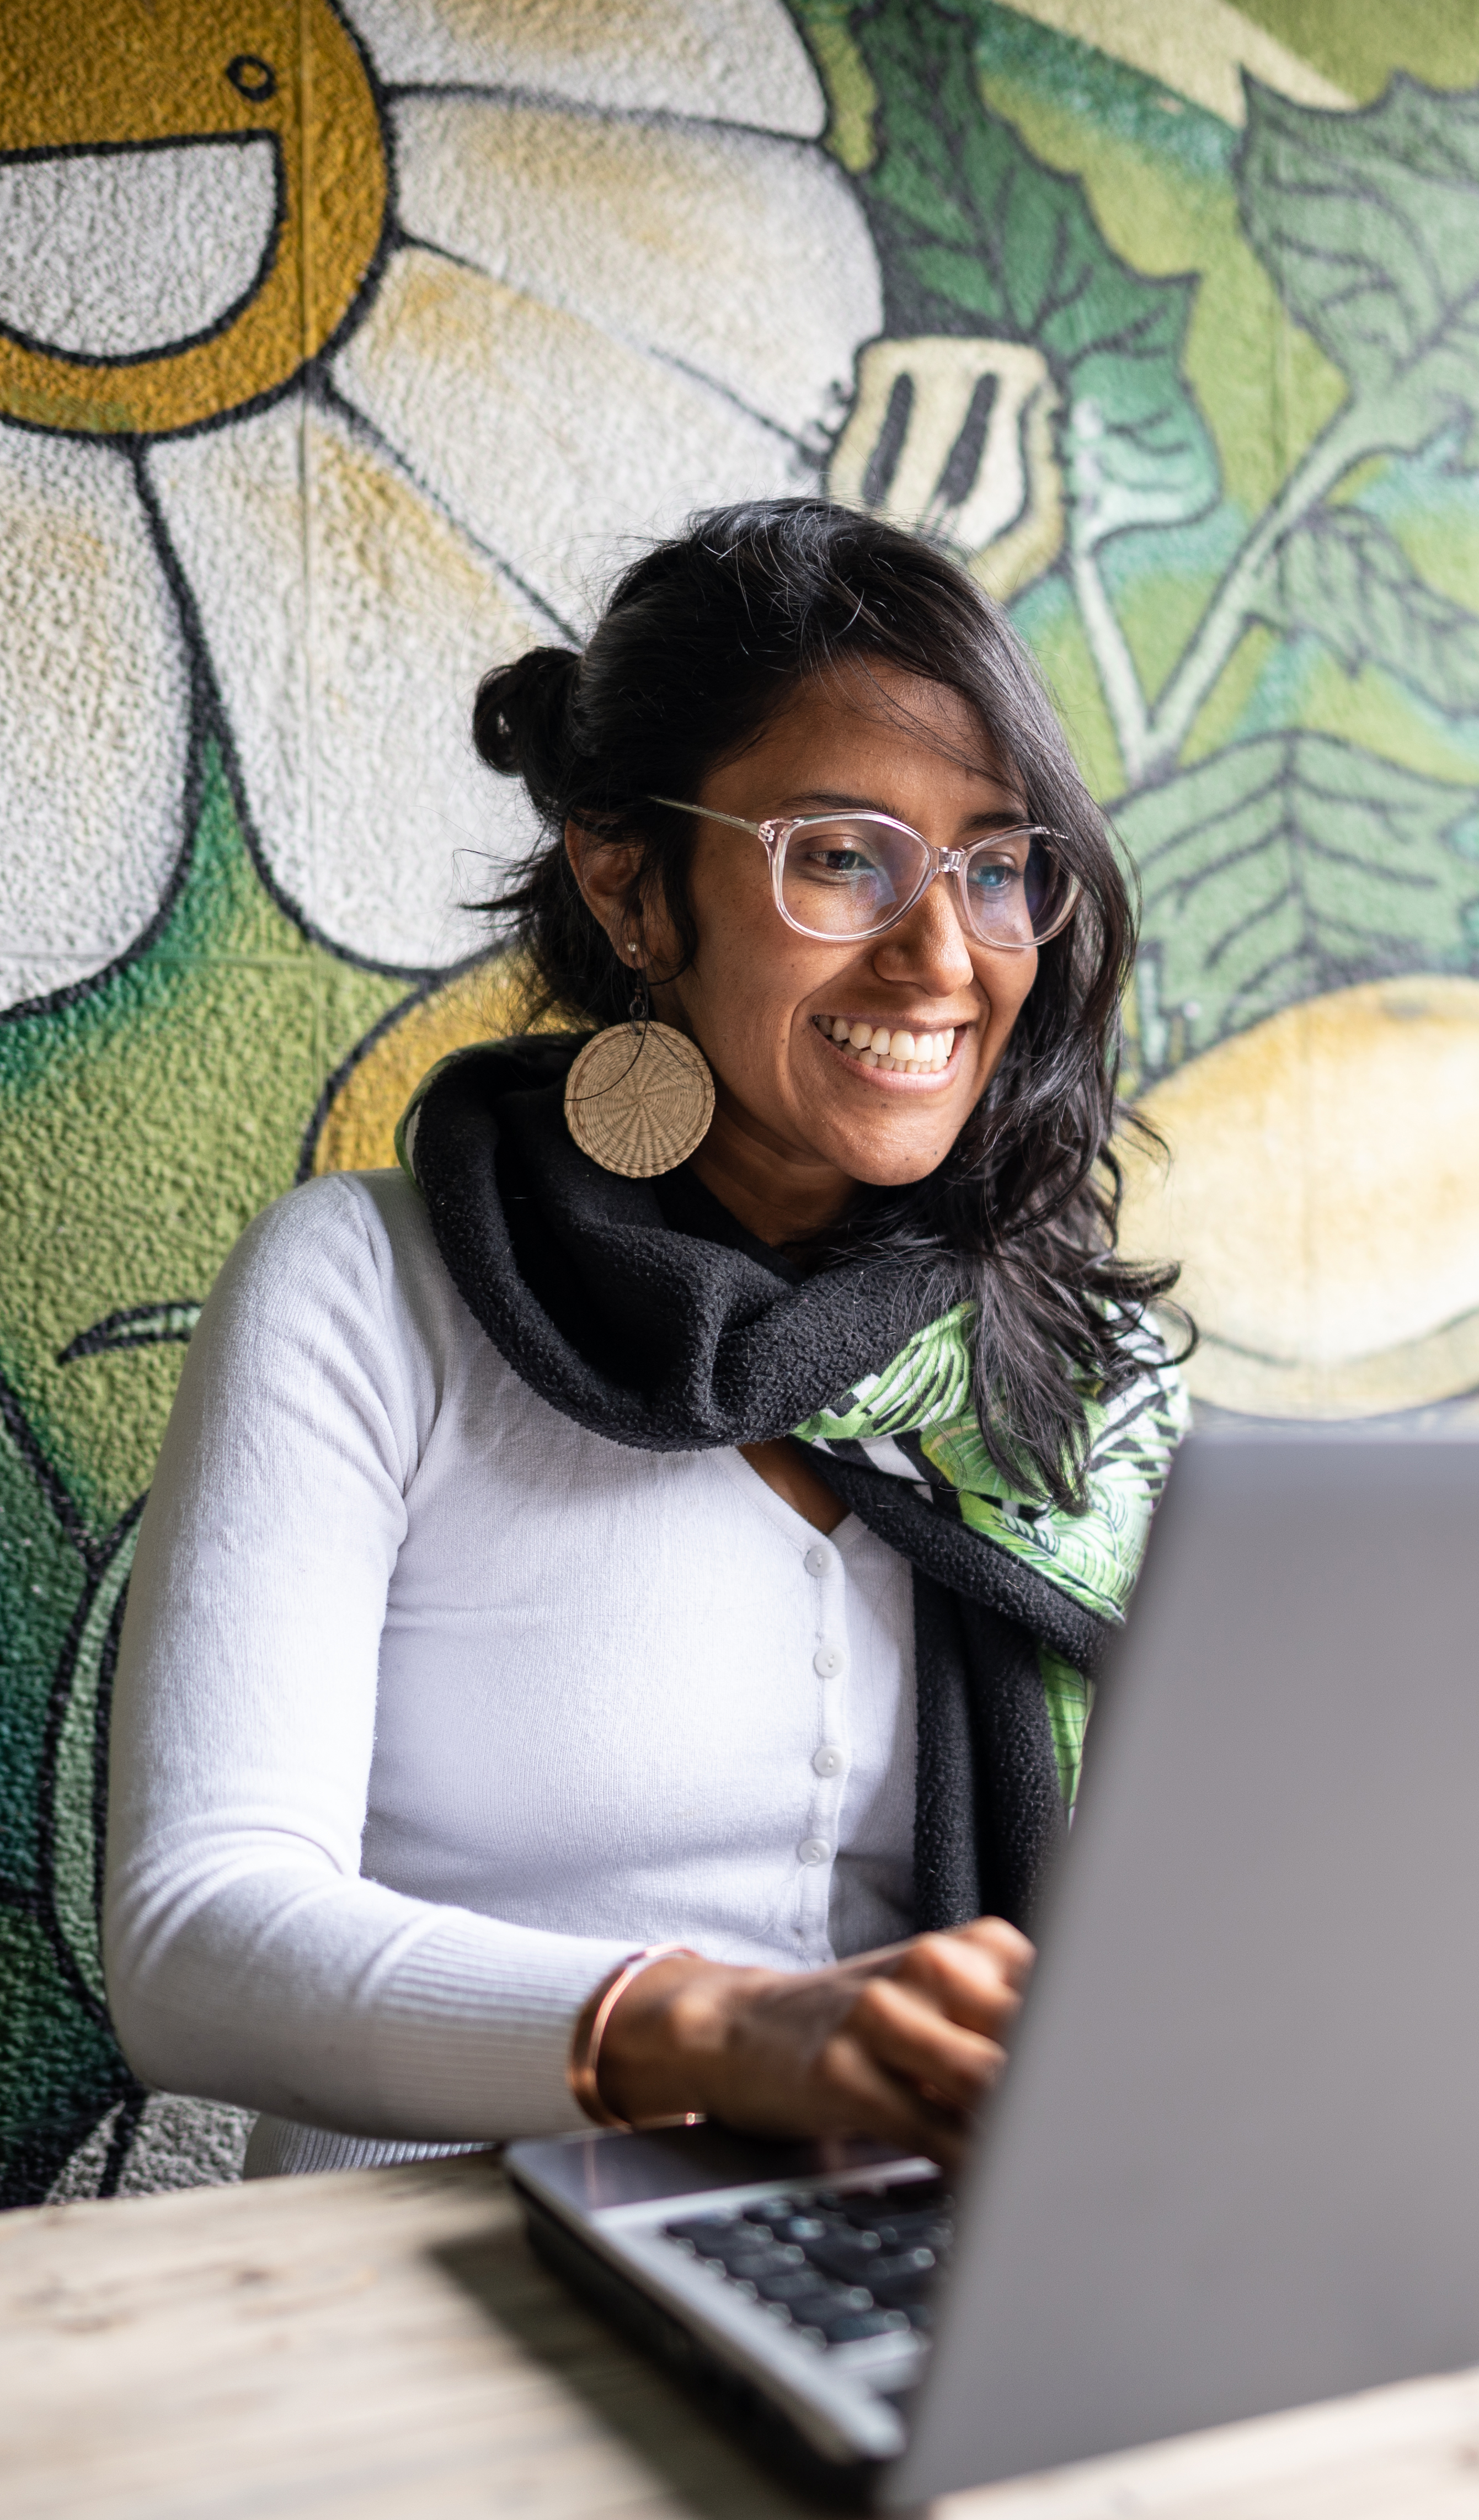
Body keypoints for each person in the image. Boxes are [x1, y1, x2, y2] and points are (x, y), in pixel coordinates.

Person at [105, 500, 1182, 2175]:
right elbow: (192, 1945)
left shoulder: (1070, 1379)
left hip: (900, 2282)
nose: (942, 955)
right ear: (628, 880)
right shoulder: (372, 1294)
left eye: (995, 864)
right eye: (842, 856)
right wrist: (726, 2034)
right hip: (419, 2302)